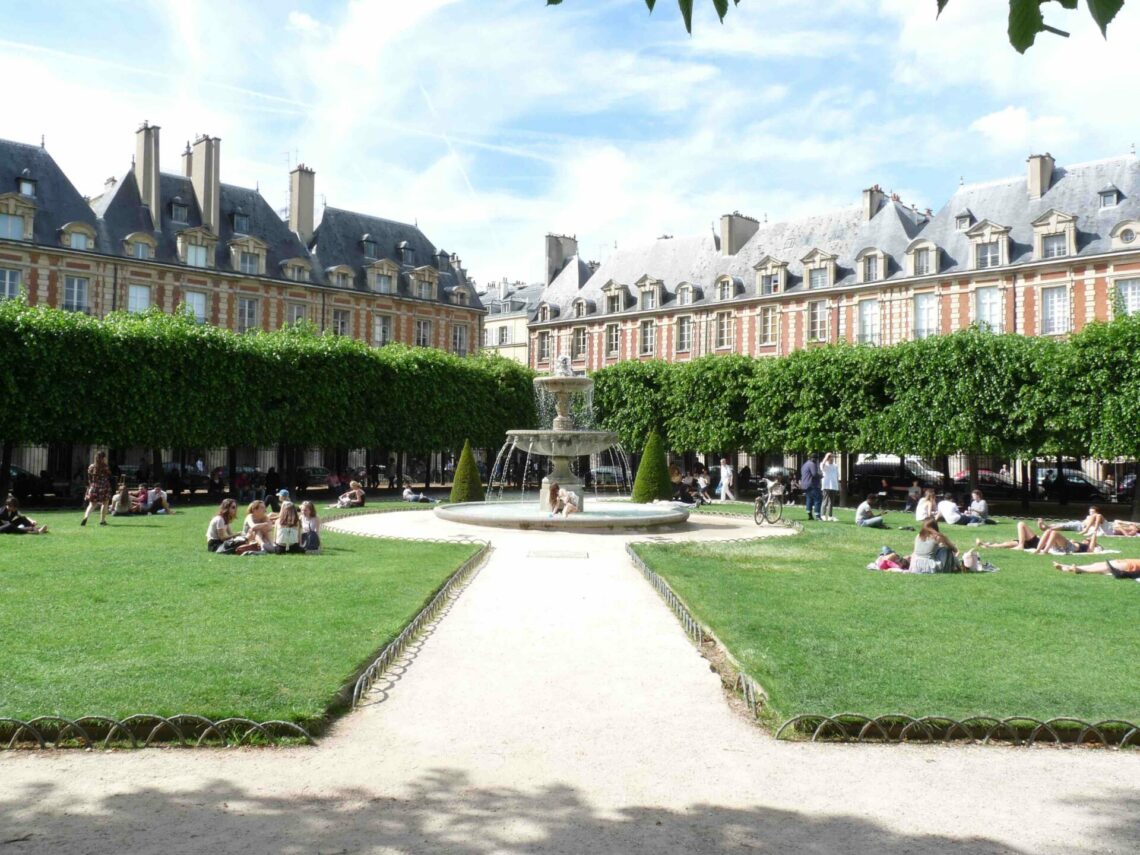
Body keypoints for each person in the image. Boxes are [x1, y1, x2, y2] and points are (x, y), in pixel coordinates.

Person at [910, 519, 976, 573]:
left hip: (915, 566)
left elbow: (915, 552)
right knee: (946, 549)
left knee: (942, 548)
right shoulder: (937, 536)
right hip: (929, 567)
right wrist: (945, 544)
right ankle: (960, 567)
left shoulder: (918, 536)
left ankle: (959, 567)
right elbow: (954, 549)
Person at [81, 450, 112, 526]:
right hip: (104, 486)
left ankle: (86, 517)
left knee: (91, 505)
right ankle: (102, 520)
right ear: (103, 458)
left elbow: (89, 478)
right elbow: (109, 475)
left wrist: (90, 486)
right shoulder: (105, 466)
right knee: (105, 503)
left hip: (94, 486)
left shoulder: (91, 467)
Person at [979, 520, 1046, 551]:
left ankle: (1020, 545)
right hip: (1036, 543)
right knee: (1007, 544)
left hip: (1039, 543)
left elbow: (1048, 530)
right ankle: (988, 546)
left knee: (1021, 524)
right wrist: (1040, 525)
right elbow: (1045, 529)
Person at [1034, 527, 1101, 556]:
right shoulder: (1079, 543)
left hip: (1069, 548)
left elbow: (1093, 541)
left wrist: (1094, 534)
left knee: (1054, 533)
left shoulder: (1088, 548)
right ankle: (1038, 550)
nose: (1085, 539)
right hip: (1061, 547)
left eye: (1087, 540)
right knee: (1048, 531)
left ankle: (1045, 551)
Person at [1054, 558, 1140, 579]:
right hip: (1125, 561)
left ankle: (1078, 569)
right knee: (1097, 564)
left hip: (1129, 566)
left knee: (1103, 568)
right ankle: (1066, 567)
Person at [800, 455, 821, 520]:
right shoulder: (812, 464)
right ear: (814, 458)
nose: (816, 460)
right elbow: (814, 474)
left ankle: (810, 515)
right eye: (816, 459)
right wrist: (821, 475)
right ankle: (817, 516)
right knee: (817, 499)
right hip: (812, 485)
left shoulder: (804, 464)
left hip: (805, 485)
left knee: (809, 499)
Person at [820, 453, 839, 522]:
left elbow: (837, 475)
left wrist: (837, 485)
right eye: (830, 458)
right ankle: (822, 515)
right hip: (826, 485)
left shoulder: (835, 466)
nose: (832, 459)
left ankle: (830, 516)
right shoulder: (825, 465)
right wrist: (825, 457)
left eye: (832, 458)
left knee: (831, 502)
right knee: (825, 500)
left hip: (833, 485)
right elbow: (822, 466)